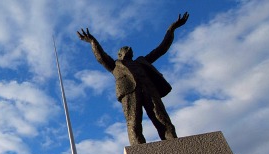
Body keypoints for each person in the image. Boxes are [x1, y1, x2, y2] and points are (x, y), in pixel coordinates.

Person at [77, 12, 189, 145]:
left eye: (130, 49)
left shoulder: (142, 61)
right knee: (134, 122)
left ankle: (175, 145)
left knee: (162, 118)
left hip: (149, 89)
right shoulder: (114, 65)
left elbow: (161, 49)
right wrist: (92, 41)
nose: (129, 49)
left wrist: (171, 29)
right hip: (130, 92)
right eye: (125, 49)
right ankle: (139, 151)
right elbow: (101, 57)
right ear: (119, 54)